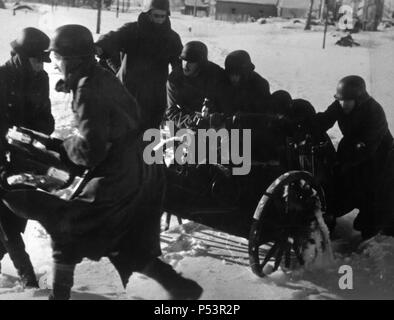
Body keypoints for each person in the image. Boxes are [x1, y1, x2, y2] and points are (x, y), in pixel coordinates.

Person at [2, 24, 202, 300]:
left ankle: (58, 297)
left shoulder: (87, 89)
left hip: (116, 174)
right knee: (117, 240)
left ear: (70, 59)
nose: (53, 65)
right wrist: (58, 145)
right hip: (137, 170)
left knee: (66, 227)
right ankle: (180, 287)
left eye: (56, 58)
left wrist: (64, 147)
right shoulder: (101, 77)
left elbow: (91, 150)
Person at [0, 27, 54, 288]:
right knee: (6, 217)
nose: (40, 67)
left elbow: (46, 118)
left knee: (16, 219)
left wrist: (39, 133)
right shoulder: (1, 78)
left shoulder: (40, 78)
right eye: (36, 60)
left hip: (25, 157)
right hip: (1, 157)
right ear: (22, 56)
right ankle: (28, 280)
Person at [314, 75, 394, 239]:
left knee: (373, 193)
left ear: (359, 99)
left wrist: (345, 164)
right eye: (341, 100)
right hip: (353, 149)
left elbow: (368, 147)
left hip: (380, 156)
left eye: (348, 101)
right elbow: (325, 119)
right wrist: (307, 123)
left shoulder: (374, 111)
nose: (343, 104)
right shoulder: (340, 104)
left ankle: (371, 232)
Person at [95, 0, 183, 129]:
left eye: (163, 16)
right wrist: (100, 46)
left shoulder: (172, 38)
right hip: (127, 92)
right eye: (156, 16)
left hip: (155, 96)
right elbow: (112, 39)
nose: (159, 20)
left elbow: (179, 65)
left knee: (148, 138)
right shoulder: (131, 31)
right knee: (123, 135)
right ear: (147, 14)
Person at [166, 41, 233, 129]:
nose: (185, 65)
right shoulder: (175, 78)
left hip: (214, 121)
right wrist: (190, 120)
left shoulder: (217, 74)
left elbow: (228, 105)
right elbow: (171, 111)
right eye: (183, 60)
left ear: (201, 63)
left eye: (191, 62)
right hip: (188, 121)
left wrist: (216, 118)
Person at [224, 50, 270, 115]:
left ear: (245, 73)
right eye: (230, 74)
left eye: (237, 74)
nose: (233, 78)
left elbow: (263, 115)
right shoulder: (224, 81)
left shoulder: (259, 86)